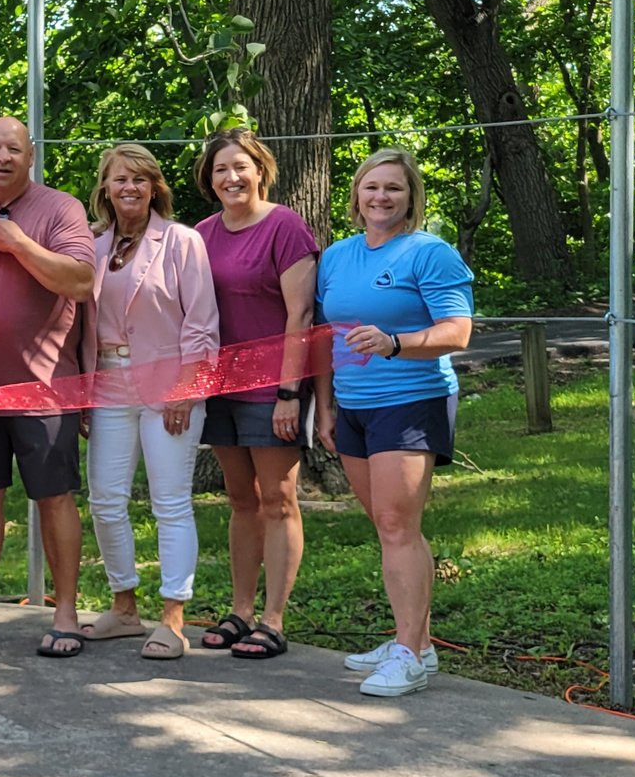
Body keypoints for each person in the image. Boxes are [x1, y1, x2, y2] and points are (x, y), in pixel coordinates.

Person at [315, 148, 475, 698]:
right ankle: (417, 644)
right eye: (371, 187)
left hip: (411, 400)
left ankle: (409, 652)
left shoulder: (429, 253)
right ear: (356, 196)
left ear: (411, 198)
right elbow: (326, 337)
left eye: (394, 189)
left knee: (396, 525)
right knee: (386, 526)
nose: (381, 197)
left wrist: (395, 344)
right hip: (353, 406)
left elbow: (457, 332)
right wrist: (327, 403)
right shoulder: (337, 256)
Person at [0, 117, 95, 657]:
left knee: (54, 499)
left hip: (44, 387)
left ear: (31, 157)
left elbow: (79, 280)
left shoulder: (60, 209)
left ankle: (68, 612)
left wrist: (19, 243)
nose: (3, 157)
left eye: (14, 148)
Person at [83, 143, 218, 661]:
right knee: (106, 500)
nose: (130, 188)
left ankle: (173, 617)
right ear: (106, 188)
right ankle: (123, 605)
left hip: (169, 387)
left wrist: (189, 388)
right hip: (108, 385)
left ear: (155, 187)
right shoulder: (93, 245)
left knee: (169, 502)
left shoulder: (181, 241)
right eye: (120, 179)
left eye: (140, 179)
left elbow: (201, 321)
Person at [190, 128, 320, 660]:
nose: (231, 177)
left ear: (260, 169)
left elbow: (302, 315)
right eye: (221, 169)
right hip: (219, 387)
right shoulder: (200, 233)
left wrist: (291, 392)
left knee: (278, 499)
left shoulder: (285, 227)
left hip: (273, 388)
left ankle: (273, 618)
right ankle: (241, 611)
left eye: (241, 166)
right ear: (209, 178)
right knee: (240, 500)